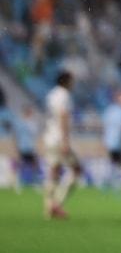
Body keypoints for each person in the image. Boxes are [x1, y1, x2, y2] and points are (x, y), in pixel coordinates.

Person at [42, 70, 82, 219]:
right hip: (59, 139)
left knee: (54, 171)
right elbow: (63, 116)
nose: (74, 84)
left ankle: (48, 207)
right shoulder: (64, 95)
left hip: (49, 137)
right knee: (77, 170)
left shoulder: (51, 94)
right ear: (66, 81)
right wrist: (65, 141)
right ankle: (57, 204)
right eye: (72, 81)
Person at [11, 103, 42, 193]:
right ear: (26, 112)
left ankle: (35, 183)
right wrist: (16, 148)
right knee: (20, 166)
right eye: (29, 111)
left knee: (35, 166)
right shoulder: (19, 123)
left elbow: (35, 136)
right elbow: (16, 136)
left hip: (31, 147)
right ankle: (17, 184)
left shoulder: (32, 123)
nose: (30, 113)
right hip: (22, 147)